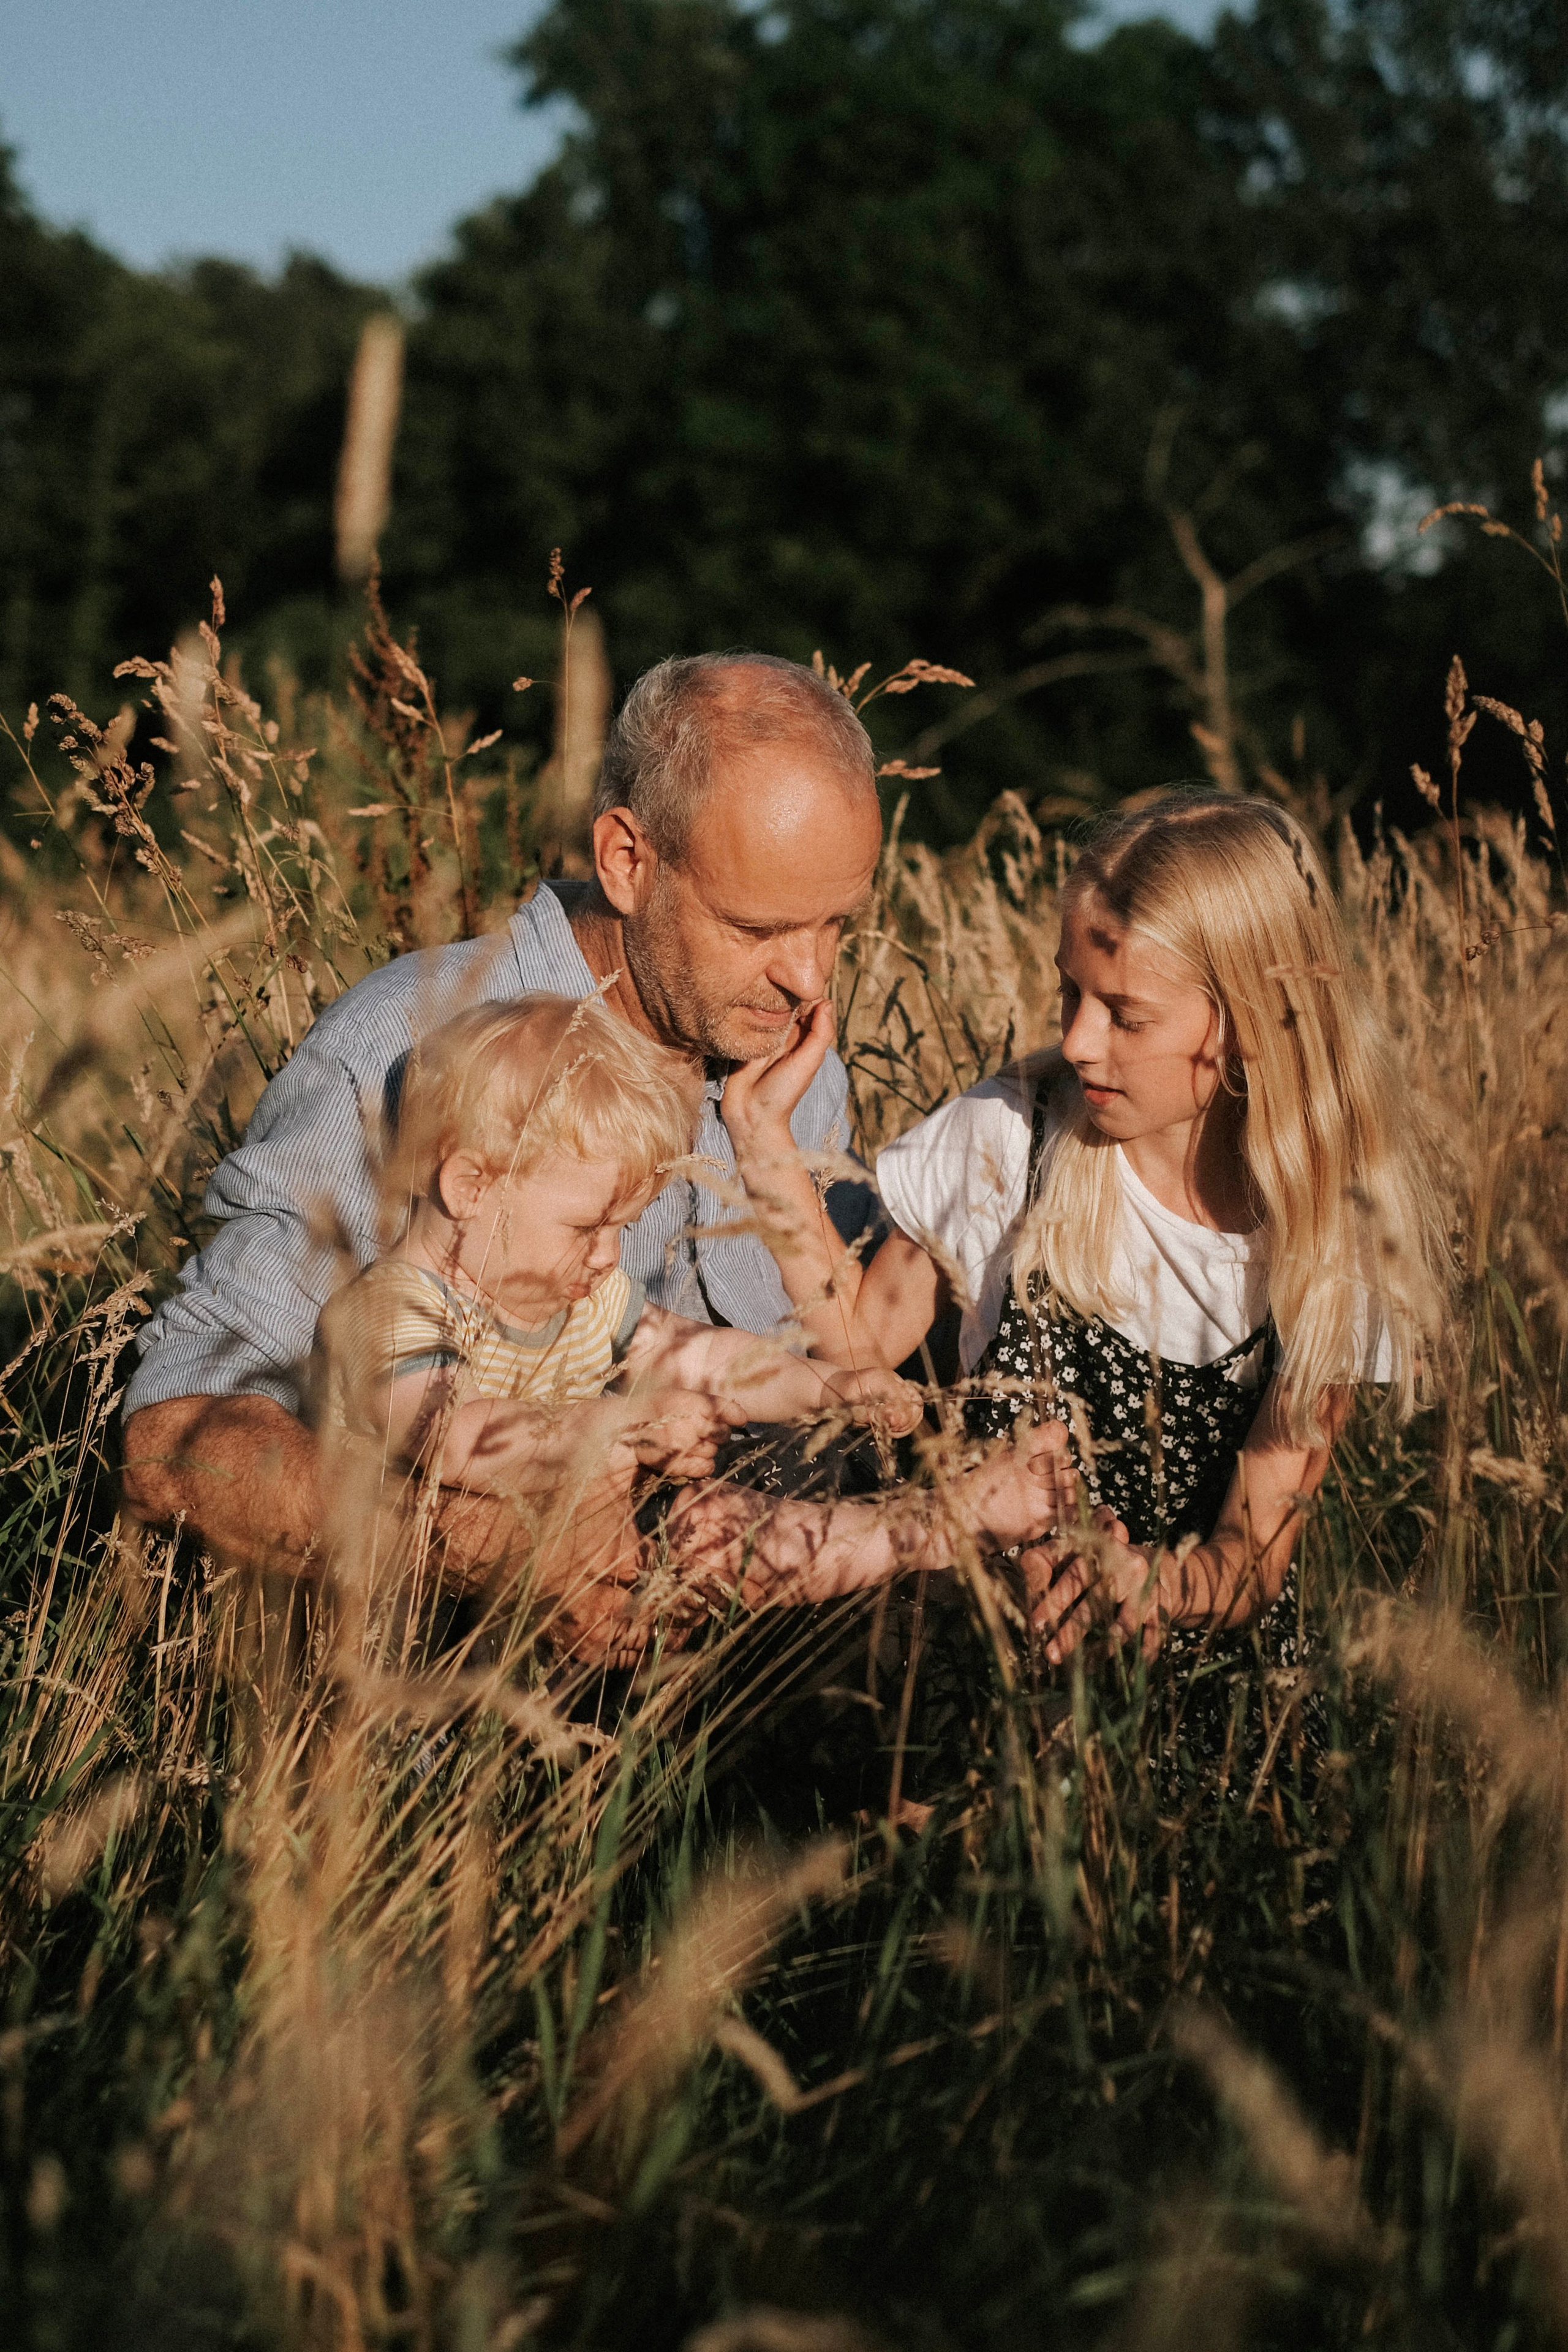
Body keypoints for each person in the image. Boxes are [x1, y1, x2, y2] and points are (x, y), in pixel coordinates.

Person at [120, 653, 892, 1620]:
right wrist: (506, 1557)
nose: (812, 980)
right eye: (759, 927)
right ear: (627, 859)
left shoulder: (783, 1051)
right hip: (468, 1703)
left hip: (772, 1666)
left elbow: (859, 1377)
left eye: (835, 926)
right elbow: (175, 1442)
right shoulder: (406, 1049)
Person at [723, 792, 1448, 1664]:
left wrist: (1136, 1583)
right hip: (971, 1658)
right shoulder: (1013, 1138)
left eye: (1126, 1014)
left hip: (1194, 1706)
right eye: (1070, 990)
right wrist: (766, 1146)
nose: (1076, 1040)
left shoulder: (1335, 1238)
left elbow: (1252, 1564)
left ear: (1250, 1025)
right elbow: (858, 1350)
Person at [318, 991, 1067, 1659]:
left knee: (730, 1511)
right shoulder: (390, 1312)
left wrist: (827, 1386)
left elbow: (701, 1356)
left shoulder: (575, 1297)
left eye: (623, 1227)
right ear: (470, 1186)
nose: (609, 1257)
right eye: (586, 1227)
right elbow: (454, 1438)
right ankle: (931, 1536)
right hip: (432, 1628)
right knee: (705, 1528)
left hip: (567, 1587)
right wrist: (625, 1427)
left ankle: (920, 1556)